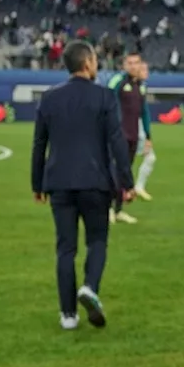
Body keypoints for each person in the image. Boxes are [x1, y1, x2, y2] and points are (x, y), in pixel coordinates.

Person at [32, 40, 134, 331]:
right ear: (87, 63)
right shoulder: (104, 97)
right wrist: (126, 182)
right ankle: (89, 287)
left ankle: (68, 315)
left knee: (65, 248)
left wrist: (36, 183)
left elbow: (39, 144)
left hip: (59, 183)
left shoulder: (49, 98)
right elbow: (117, 142)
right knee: (97, 241)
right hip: (95, 181)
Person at [106, 53, 150, 223]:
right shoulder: (118, 82)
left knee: (125, 174)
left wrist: (147, 136)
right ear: (124, 65)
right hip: (118, 136)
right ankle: (108, 208)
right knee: (115, 173)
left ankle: (118, 210)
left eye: (136, 63)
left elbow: (144, 112)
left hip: (133, 136)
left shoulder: (141, 86)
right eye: (129, 63)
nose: (133, 66)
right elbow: (107, 101)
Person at [132, 60, 158, 201]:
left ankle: (136, 188)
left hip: (138, 127)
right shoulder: (133, 87)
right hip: (134, 128)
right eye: (144, 70)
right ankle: (135, 188)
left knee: (149, 157)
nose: (147, 73)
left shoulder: (141, 87)